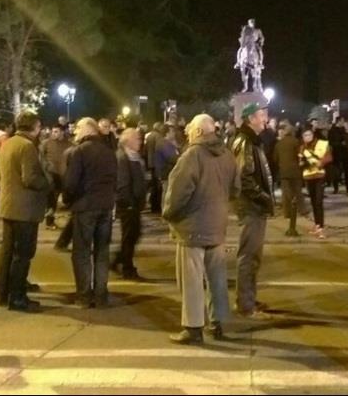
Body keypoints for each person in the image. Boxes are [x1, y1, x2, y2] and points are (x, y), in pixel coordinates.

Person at [163, 114, 239, 344]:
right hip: (217, 225)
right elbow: (236, 189)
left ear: (197, 132)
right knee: (217, 277)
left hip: (192, 226)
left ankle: (193, 327)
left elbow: (177, 193)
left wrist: (169, 214)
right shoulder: (227, 155)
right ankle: (218, 324)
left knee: (192, 280)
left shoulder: (192, 156)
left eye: (189, 131)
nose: (186, 134)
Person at [0, 111, 50, 312]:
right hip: (24, 209)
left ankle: (2, 292)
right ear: (34, 126)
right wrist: (49, 183)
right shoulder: (27, 147)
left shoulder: (8, 143)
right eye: (39, 126)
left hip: (9, 205)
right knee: (23, 254)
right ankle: (17, 297)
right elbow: (30, 178)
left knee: (7, 252)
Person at [63, 117, 118, 309]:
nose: (75, 131)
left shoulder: (80, 151)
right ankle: (101, 295)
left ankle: (84, 296)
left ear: (88, 129)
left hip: (85, 206)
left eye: (78, 127)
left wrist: (68, 200)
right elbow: (114, 179)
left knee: (82, 252)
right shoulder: (109, 152)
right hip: (105, 206)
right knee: (102, 251)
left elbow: (70, 183)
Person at [228, 101, 275, 318]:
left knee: (253, 256)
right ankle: (245, 304)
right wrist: (264, 197)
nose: (265, 118)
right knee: (248, 255)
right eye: (261, 114)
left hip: (254, 206)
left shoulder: (252, 141)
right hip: (251, 206)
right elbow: (244, 178)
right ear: (251, 119)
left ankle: (249, 300)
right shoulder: (245, 142)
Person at [112, 128, 148, 281]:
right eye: (137, 139)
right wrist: (128, 203)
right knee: (129, 236)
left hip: (135, 203)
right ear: (128, 141)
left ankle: (118, 261)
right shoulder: (123, 157)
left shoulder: (134, 156)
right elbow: (123, 183)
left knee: (134, 234)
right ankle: (127, 268)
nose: (140, 142)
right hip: (128, 204)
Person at [275, 122, 305, 236]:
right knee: (297, 192)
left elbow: (275, 158)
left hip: (284, 172)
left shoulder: (279, 143)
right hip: (295, 172)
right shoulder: (296, 142)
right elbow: (300, 155)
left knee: (286, 195)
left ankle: (287, 212)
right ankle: (301, 209)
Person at [39, 125, 71, 231]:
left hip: (64, 176)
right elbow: (41, 158)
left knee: (69, 200)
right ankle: (49, 221)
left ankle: (72, 224)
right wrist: (47, 168)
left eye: (56, 131)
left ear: (62, 132)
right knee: (51, 201)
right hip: (51, 176)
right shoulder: (46, 143)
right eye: (53, 131)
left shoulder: (69, 144)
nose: (53, 133)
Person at [299, 129, 330, 239]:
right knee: (313, 202)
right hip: (308, 176)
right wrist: (302, 163)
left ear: (312, 135)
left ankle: (320, 227)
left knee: (318, 201)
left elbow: (328, 157)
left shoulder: (321, 144)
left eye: (308, 135)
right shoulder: (302, 148)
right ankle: (317, 225)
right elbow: (300, 162)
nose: (307, 137)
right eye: (305, 135)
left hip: (319, 176)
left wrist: (321, 163)